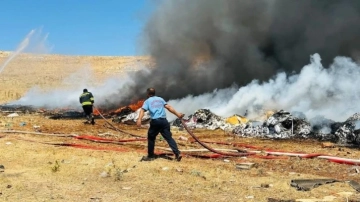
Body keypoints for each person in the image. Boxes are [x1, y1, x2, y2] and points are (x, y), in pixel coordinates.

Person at [137, 88, 184, 162]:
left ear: (148, 94)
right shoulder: (160, 99)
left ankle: (150, 155)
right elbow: (168, 107)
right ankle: (177, 153)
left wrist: (139, 119)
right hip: (164, 121)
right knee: (169, 138)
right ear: (154, 93)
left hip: (155, 121)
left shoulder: (147, 101)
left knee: (151, 138)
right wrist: (178, 114)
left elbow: (142, 110)